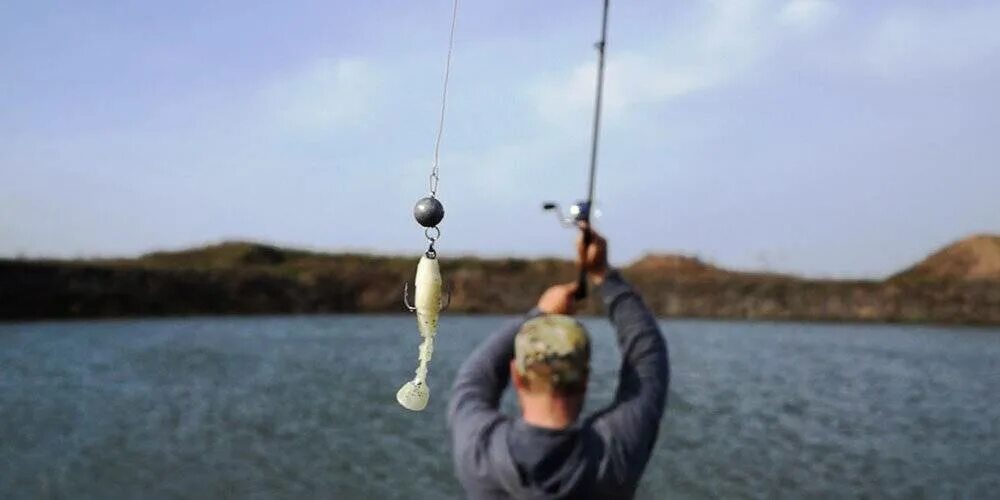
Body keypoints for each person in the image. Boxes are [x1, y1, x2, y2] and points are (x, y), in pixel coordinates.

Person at [447, 226, 670, 499]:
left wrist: (539, 313)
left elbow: (473, 377)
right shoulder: (613, 454)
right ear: (586, 378)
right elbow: (648, 356)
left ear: (516, 376)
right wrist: (603, 274)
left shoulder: (479, 451)